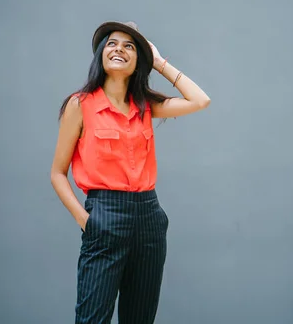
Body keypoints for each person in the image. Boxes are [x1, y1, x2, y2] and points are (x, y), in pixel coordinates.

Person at [50, 21, 210, 324]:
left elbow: (200, 100)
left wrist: (159, 62)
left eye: (130, 46)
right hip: (104, 216)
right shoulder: (80, 105)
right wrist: (86, 221)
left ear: (138, 61)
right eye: (112, 43)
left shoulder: (145, 106)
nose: (119, 49)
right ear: (100, 54)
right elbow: (58, 173)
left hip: (149, 219)